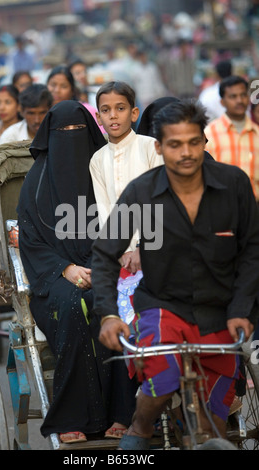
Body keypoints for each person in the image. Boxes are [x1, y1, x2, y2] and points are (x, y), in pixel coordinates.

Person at [91, 99, 259, 450]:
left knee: (214, 422)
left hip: (222, 312)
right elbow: (106, 254)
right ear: (159, 147)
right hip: (162, 308)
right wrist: (107, 313)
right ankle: (139, 427)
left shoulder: (234, 185)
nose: (186, 152)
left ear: (204, 141)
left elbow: (253, 249)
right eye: (175, 144)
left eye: (193, 142)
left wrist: (242, 308)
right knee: (162, 382)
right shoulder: (141, 192)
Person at [17, 100, 137, 444]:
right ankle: (74, 416)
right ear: (49, 138)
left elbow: (124, 221)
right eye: (62, 133)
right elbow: (31, 240)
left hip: (107, 266)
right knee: (73, 307)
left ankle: (123, 413)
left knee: (114, 303)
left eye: (78, 131)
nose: (71, 139)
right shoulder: (36, 183)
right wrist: (66, 268)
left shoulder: (105, 170)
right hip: (55, 279)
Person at [89, 81, 163, 276]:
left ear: (134, 113)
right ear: (98, 117)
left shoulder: (150, 147)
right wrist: (121, 250)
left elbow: (158, 200)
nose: (113, 115)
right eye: (106, 110)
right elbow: (105, 209)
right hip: (121, 255)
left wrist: (143, 246)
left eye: (120, 108)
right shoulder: (97, 159)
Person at [205, 75, 259, 200]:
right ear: (222, 102)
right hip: (222, 207)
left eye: (243, 95)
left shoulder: (257, 134)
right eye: (233, 96)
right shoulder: (209, 135)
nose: (239, 100)